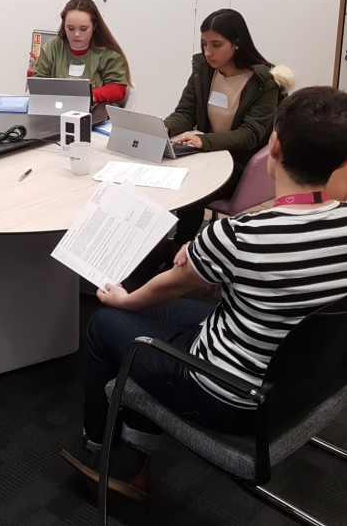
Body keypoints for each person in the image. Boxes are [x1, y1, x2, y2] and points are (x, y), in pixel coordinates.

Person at [61, 86, 347, 500]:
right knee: (164, 316)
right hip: (302, 383)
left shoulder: (239, 237)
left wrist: (123, 299)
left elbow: (159, 289)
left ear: (276, 146)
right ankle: (137, 440)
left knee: (107, 323)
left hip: (229, 395)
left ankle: (101, 449)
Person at [164, 8, 295, 247]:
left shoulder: (264, 81)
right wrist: (163, 128)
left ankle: (180, 249)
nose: (207, 52)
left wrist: (204, 141)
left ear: (236, 44)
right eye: (204, 44)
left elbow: (250, 136)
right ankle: (162, 247)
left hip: (238, 163)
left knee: (189, 194)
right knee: (160, 175)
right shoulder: (203, 69)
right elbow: (186, 112)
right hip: (205, 155)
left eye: (216, 45)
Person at [32, 0, 130, 105]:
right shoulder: (53, 47)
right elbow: (38, 82)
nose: (77, 34)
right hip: (57, 109)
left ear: (94, 26)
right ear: (63, 26)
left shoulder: (107, 53)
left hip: (94, 110)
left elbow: (118, 88)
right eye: (70, 28)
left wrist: (90, 96)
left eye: (83, 29)